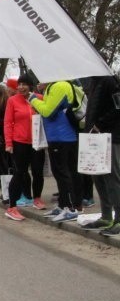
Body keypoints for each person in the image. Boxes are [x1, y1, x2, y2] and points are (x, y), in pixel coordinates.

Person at [28, 79, 83, 221]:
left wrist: (33, 99)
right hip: (58, 136)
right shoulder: (54, 86)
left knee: (64, 172)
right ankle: (63, 204)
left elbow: (48, 111)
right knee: (59, 172)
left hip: (62, 136)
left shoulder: (59, 85)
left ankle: (71, 207)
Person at [3, 73, 46, 220]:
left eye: (24, 84)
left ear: (31, 86)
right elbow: (8, 122)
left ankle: (37, 198)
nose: (21, 87)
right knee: (19, 173)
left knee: (38, 171)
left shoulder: (39, 99)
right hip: (19, 141)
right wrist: (8, 143)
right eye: (19, 84)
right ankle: (12, 206)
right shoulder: (12, 101)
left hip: (36, 142)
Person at [82, 76, 120, 234]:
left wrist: (100, 123)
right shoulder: (93, 82)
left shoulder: (111, 81)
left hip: (111, 136)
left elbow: (118, 106)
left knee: (112, 177)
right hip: (94, 136)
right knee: (97, 175)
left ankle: (118, 218)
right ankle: (106, 216)